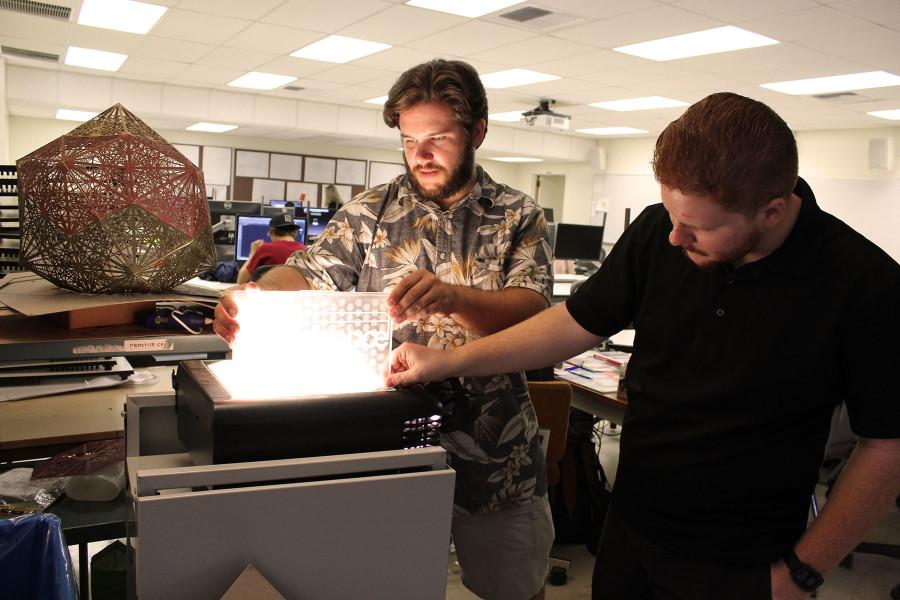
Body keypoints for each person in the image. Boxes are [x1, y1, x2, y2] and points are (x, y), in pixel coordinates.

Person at [388, 92, 900, 600]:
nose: (675, 238)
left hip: (747, 558)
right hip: (632, 529)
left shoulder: (864, 284)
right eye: (671, 215)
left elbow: (886, 447)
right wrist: (448, 362)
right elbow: (572, 323)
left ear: (769, 212)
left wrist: (801, 573)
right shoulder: (660, 230)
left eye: (698, 228)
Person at [214, 59, 555, 600]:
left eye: (438, 138)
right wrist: (259, 293)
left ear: (478, 133)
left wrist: (455, 300)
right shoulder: (369, 212)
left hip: (497, 450)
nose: (420, 154)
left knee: (512, 588)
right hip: (383, 447)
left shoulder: (520, 215)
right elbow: (303, 272)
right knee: (382, 582)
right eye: (409, 139)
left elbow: (534, 310)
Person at [235, 213, 305, 284]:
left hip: (268, 293)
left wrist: (253, 253)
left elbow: (241, 281)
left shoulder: (265, 249)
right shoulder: (305, 251)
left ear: (272, 232)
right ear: (295, 232)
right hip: (297, 294)